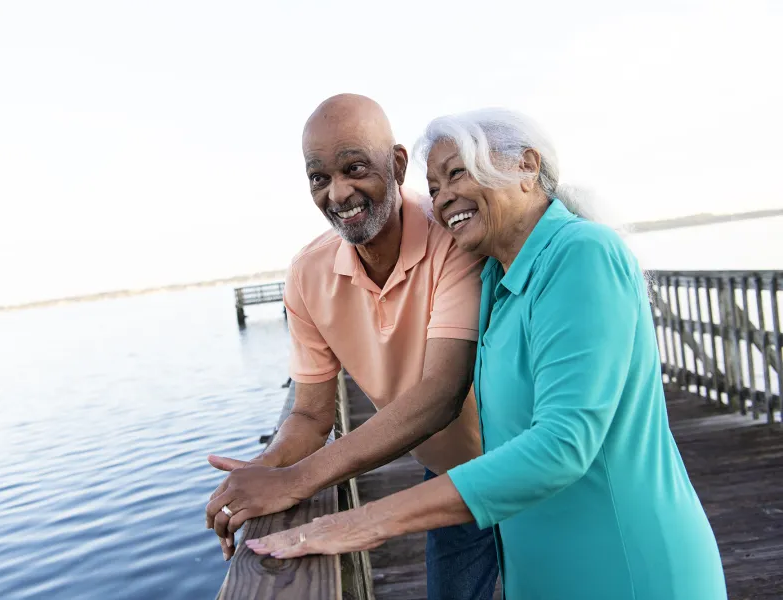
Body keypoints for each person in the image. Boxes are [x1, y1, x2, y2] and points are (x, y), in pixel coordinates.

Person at [242, 107, 729, 600]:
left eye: (458, 173)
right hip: (544, 567)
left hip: (625, 566)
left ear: (526, 167)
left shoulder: (583, 252)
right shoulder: (496, 280)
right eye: (433, 187)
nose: (443, 197)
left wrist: (364, 522)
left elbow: (563, 444)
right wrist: (270, 471)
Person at [205, 94, 499, 600]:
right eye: (319, 178)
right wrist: (267, 469)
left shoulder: (452, 232)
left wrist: (300, 480)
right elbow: (311, 416)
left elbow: (441, 394)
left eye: (354, 168)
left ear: (399, 165)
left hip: (524, 462)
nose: (338, 193)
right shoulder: (307, 275)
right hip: (451, 477)